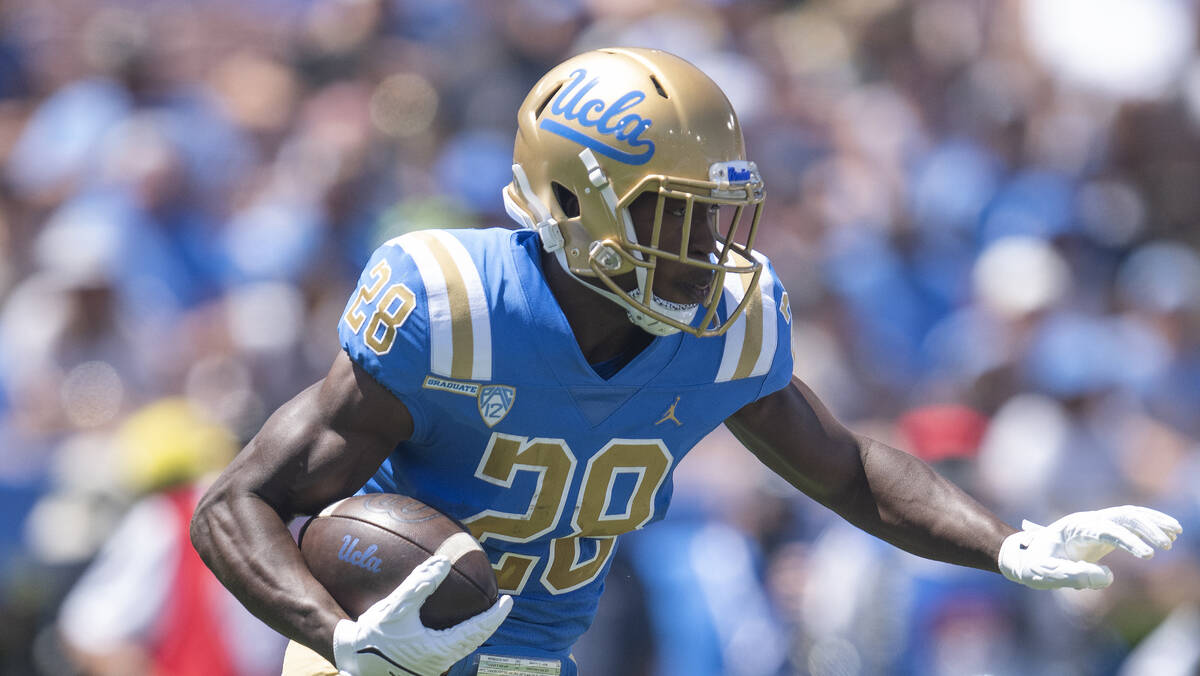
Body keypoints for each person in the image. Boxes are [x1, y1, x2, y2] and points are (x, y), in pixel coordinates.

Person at [190, 48, 1182, 676]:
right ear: (575, 204)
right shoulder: (456, 307)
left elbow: (846, 469)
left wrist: (1005, 542)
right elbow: (236, 504)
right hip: (377, 655)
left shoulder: (729, 323)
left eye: (714, 213)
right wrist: (340, 638)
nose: (705, 245)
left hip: (536, 663)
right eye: (672, 212)